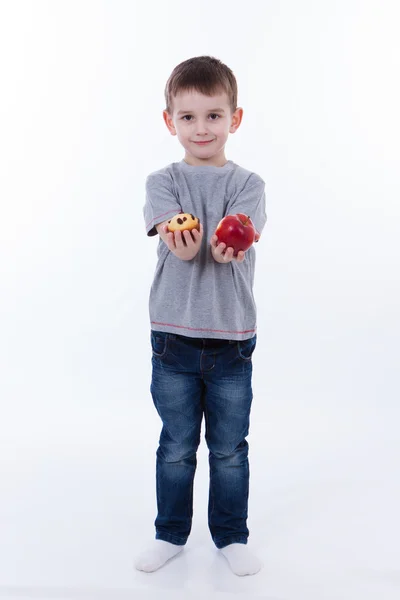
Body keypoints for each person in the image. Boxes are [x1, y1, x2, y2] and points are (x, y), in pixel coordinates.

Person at [135, 56, 267, 577]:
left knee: (230, 448)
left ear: (234, 119)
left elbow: (241, 232)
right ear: (170, 122)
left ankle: (231, 535)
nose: (201, 127)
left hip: (233, 339)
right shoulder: (161, 182)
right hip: (173, 339)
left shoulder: (249, 184)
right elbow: (183, 246)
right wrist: (193, 245)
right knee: (176, 444)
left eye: (214, 115)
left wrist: (232, 242)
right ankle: (170, 533)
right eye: (188, 117)